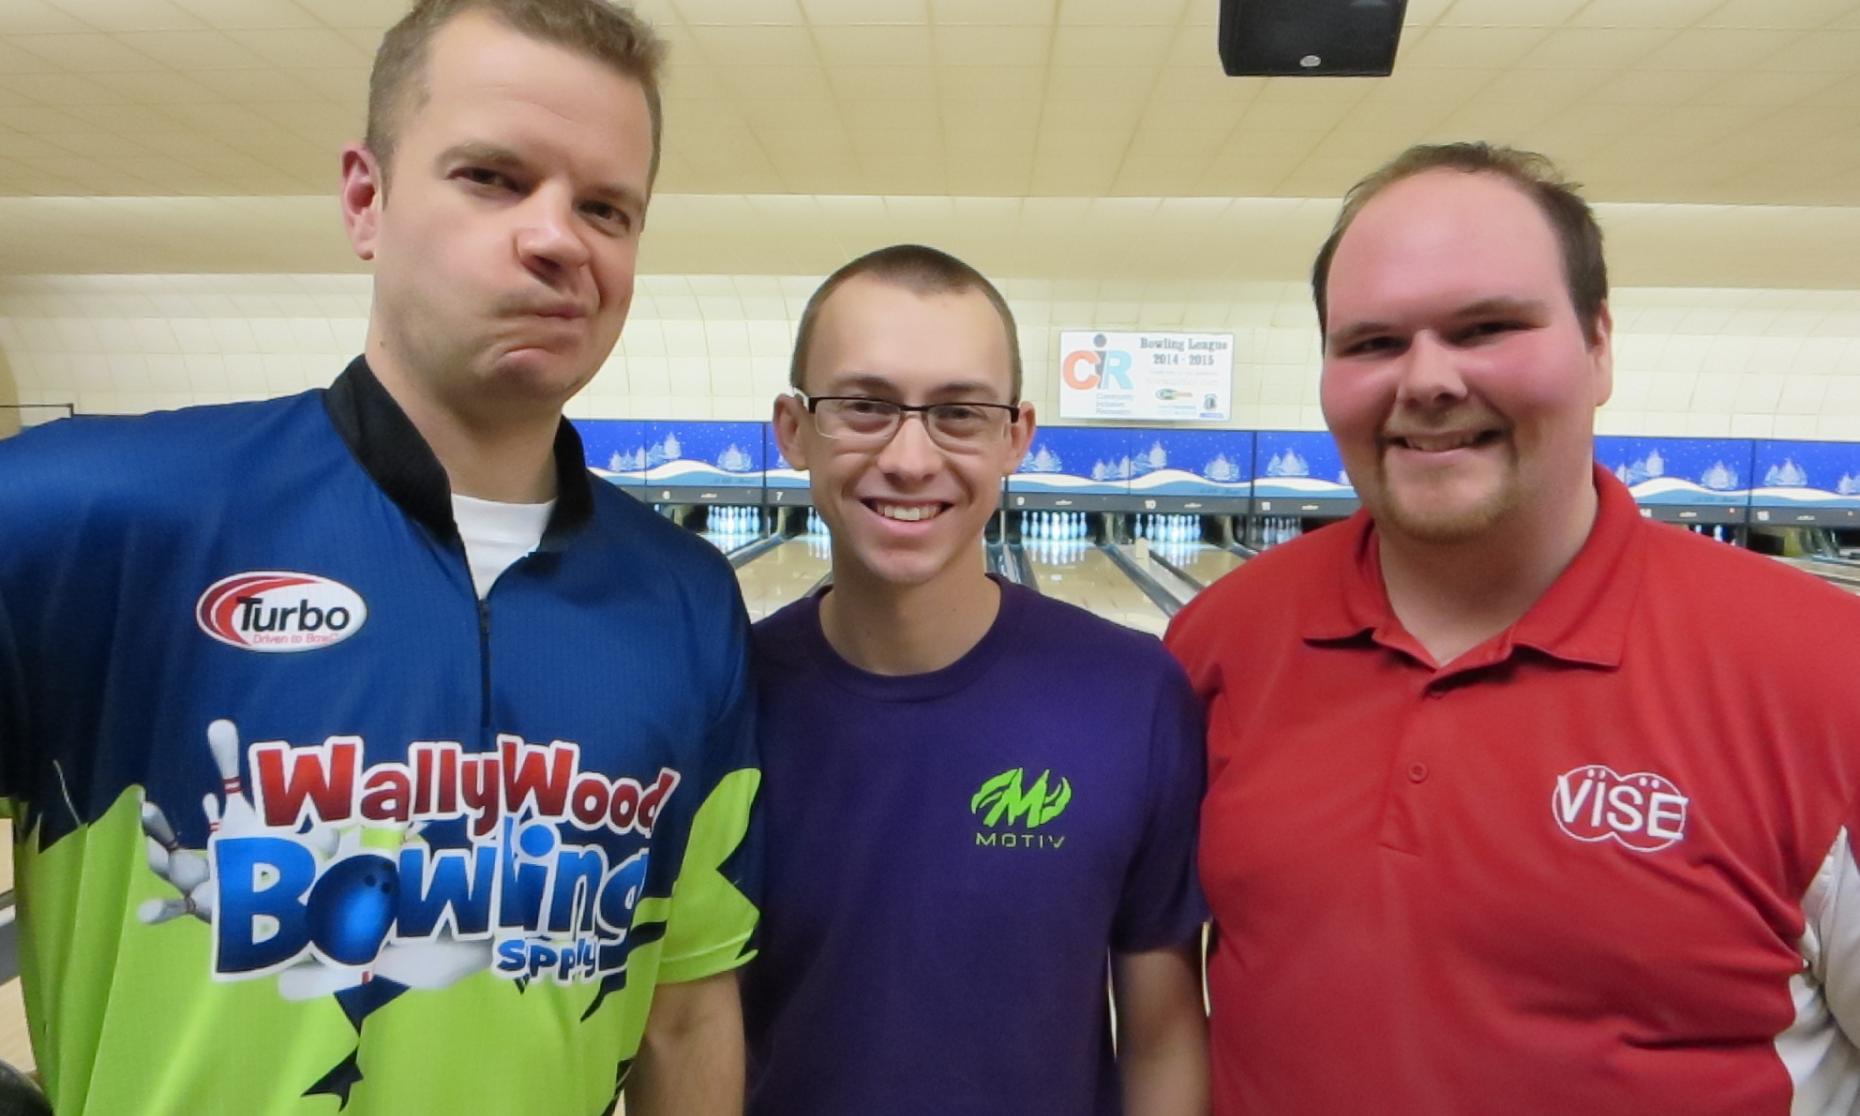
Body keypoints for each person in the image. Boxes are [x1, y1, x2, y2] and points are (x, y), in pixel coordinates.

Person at [0, 2, 759, 1112]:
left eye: (606, 206)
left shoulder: (686, 601)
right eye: (492, 177)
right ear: (366, 199)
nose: (558, 237)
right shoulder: (86, 516)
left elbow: (686, 1012)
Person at [1167, 141, 1860, 1113]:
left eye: (1487, 327)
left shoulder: (1828, 673)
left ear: (1600, 345)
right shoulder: (1216, 643)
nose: (1428, 380)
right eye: (1371, 342)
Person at [744, 244, 1209, 1116]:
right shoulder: (723, 700)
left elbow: (1163, 1035)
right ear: (793, 428)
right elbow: (687, 1027)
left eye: (959, 412)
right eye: (865, 406)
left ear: (1016, 436)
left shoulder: (1133, 697)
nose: (911, 458)